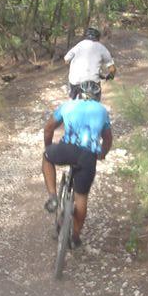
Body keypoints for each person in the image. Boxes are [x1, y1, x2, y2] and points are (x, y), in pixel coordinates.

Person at [42, 80, 113, 248]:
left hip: (67, 149)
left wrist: (49, 147)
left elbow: (48, 128)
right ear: (98, 96)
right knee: (82, 196)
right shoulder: (102, 111)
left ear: (78, 93)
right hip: (88, 156)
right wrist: (102, 154)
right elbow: (108, 139)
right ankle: (74, 235)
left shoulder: (68, 105)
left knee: (46, 157)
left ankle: (53, 197)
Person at [64, 27, 116, 100]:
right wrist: (110, 76)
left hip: (75, 80)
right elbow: (112, 69)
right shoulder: (102, 48)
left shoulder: (79, 45)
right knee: (95, 104)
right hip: (92, 82)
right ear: (98, 37)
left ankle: (72, 101)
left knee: (72, 101)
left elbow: (66, 59)